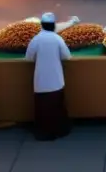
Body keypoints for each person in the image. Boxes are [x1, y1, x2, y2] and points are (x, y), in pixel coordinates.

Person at [25, 12, 72, 141]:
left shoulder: (36, 39)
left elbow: (28, 58)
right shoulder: (57, 39)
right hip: (56, 80)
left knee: (43, 108)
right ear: (53, 25)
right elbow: (67, 56)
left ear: (42, 25)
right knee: (57, 106)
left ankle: (44, 133)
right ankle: (60, 131)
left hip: (41, 81)